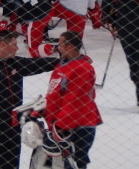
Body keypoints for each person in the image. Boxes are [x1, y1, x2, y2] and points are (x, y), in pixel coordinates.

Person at [0, 30, 60, 169]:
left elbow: (37, 64)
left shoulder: (15, 63)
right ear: (3, 44)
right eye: (14, 44)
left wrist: (62, 62)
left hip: (14, 127)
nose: (17, 47)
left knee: (13, 163)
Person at [41, 31, 103, 169]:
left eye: (61, 44)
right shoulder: (63, 64)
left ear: (70, 47)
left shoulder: (82, 69)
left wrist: (59, 127)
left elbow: (75, 102)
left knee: (73, 164)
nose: (58, 48)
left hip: (76, 128)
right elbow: (56, 93)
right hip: (61, 127)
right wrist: (43, 110)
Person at [101, 0, 139, 106]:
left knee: (133, 60)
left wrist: (112, 22)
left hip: (124, 29)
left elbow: (105, 9)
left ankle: (138, 81)